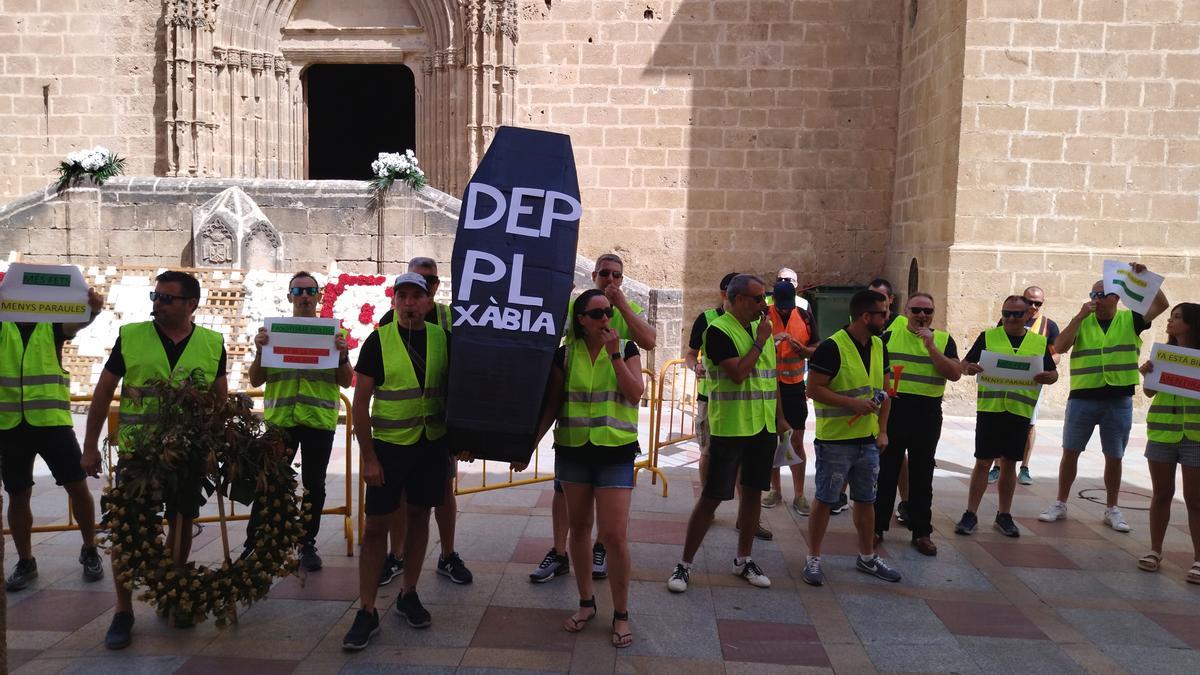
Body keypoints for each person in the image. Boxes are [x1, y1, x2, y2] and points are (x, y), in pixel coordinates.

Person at [83, 271, 228, 649]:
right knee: (129, 531)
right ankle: (123, 610)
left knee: (181, 523)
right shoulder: (131, 336)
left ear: (191, 304)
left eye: (167, 298)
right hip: (138, 453)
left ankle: (172, 590)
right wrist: (89, 446)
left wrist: (212, 445)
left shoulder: (213, 343)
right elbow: (102, 394)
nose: (157, 303)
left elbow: (219, 402)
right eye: (156, 296)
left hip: (188, 453)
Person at [667, 274, 801, 593]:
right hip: (729, 428)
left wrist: (781, 419)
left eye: (764, 299)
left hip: (762, 427)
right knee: (712, 496)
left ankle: (743, 559)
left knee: (753, 491)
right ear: (738, 299)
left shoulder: (761, 328)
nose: (763, 305)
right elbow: (739, 374)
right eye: (757, 299)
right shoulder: (718, 331)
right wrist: (760, 340)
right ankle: (684, 564)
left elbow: (771, 379)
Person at [530, 253, 656, 583]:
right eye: (604, 273)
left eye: (616, 274)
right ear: (594, 274)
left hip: (612, 440)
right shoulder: (579, 310)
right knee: (564, 496)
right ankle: (560, 552)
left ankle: (599, 548)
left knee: (608, 511)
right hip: (574, 434)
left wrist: (623, 308)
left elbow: (649, 342)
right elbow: (548, 334)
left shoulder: (625, 316)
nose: (610, 279)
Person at [343, 273, 453, 650]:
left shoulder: (443, 338)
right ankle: (367, 609)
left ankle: (409, 592)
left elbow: (455, 393)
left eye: (416, 297)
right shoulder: (379, 340)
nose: (409, 303)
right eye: (401, 296)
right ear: (394, 301)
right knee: (376, 528)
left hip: (430, 445)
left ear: (428, 301)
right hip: (389, 448)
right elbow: (360, 404)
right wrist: (369, 457)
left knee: (420, 517)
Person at [534, 289, 641, 647]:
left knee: (614, 536)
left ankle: (622, 613)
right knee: (578, 530)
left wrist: (614, 357)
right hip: (574, 450)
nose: (605, 320)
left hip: (615, 451)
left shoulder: (625, 348)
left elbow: (635, 393)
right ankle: (586, 603)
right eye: (596, 315)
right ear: (580, 319)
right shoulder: (565, 355)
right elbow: (552, 405)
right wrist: (529, 444)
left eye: (608, 313)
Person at [1039, 265, 1169, 531]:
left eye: (1102, 294)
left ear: (1116, 297)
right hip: (1083, 396)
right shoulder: (1083, 320)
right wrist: (1077, 317)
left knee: (1114, 455)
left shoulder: (1130, 319)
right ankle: (1060, 503)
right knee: (1070, 452)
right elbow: (1059, 347)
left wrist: (1143, 278)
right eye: (1093, 294)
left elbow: (1162, 303)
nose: (1095, 299)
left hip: (1118, 399)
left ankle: (1112, 508)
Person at [244, 271, 353, 572]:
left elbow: (346, 381)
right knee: (269, 484)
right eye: (298, 290)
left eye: (310, 291)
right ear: (290, 296)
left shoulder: (334, 335)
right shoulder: (273, 333)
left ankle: (307, 543)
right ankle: (255, 542)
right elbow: (255, 378)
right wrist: (260, 351)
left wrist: (343, 357)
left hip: (318, 421)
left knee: (314, 486)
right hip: (281, 421)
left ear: (319, 296)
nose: (304, 296)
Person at [376, 257, 472, 587]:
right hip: (399, 433)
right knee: (402, 498)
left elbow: (460, 373)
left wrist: (461, 431)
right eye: (418, 279)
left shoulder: (448, 318)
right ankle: (397, 555)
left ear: (434, 288)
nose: (424, 285)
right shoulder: (390, 321)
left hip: (436, 430)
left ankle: (447, 555)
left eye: (430, 280)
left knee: (444, 491)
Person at [2, 288, 105, 592]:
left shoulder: (51, 323)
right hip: (9, 425)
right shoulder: (3, 323)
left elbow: (77, 323)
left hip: (52, 424)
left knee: (77, 486)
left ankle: (89, 549)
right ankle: (26, 560)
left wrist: (93, 309)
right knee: (17, 494)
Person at [801, 290, 901, 586]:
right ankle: (813, 558)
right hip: (835, 441)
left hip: (868, 439)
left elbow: (885, 393)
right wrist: (852, 404)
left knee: (866, 499)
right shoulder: (832, 347)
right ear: (865, 316)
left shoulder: (879, 345)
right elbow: (813, 389)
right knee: (825, 499)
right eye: (882, 314)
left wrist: (882, 430)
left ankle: (867, 557)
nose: (887, 318)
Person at [955, 296, 1058, 539]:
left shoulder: (1038, 342)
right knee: (983, 461)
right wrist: (969, 369)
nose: (1011, 318)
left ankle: (1004, 514)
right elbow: (964, 365)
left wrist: (1048, 377)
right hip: (990, 410)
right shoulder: (988, 337)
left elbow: (1053, 374)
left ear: (1027, 316)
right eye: (1006, 313)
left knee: (1010, 463)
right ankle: (970, 513)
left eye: (1017, 314)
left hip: (1019, 411)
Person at [875, 293, 961, 556]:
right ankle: (877, 528)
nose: (922, 315)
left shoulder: (944, 340)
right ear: (905, 310)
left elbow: (955, 373)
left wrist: (932, 348)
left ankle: (922, 532)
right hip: (894, 410)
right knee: (887, 472)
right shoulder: (888, 336)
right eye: (917, 310)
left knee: (923, 474)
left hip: (927, 413)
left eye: (928, 311)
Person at [1137, 302, 1200, 584]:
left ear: (1191, 324)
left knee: (1195, 500)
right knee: (1161, 494)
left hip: (1196, 436)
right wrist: (1148, 373)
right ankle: (1154, 550)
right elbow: (1150, 392)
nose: (1170, 322)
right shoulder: (1163, 354)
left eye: (1176, 318)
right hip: (1163, 432)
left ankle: (1198, 560)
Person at [989, 285, 1060, 486]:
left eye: (1038, 303)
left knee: (1029, 423)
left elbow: (1056, 354)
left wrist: (1043, 366)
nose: (1033, 306)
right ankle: (997, 466)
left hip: (1031, 384)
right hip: (1005, 380)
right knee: (1000, 420)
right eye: (1030, 302)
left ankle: (1024, 467)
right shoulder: (1007, 320)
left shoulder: (1049, 326)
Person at [761, 280, 818, 517]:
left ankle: (799, 494)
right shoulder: (763, 316)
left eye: (788, 306)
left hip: (794, 387)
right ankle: (775, 489)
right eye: (781, 306)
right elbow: (753, 346)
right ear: (774, 301)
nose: (785, 310)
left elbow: (817, 346)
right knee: (774, 441)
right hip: (770, 387)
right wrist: (770, 343)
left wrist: (804, 351)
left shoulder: (804, 316)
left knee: (796, 440)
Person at [685, 272, 737, 489]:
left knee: (738, 457)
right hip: (709, 398)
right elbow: (690, 354)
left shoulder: (754, 323)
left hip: (739, 400)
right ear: (724, 293)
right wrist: (695, 366)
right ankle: (707, 501)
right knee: (707, 452)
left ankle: (744, 514)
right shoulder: (706, 319)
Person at [868, 277, 908, 524]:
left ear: (891, 300)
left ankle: (905, 502)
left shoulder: (902, 324)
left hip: (896, 399)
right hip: (870, 397)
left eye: (880, 297)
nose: (875, 302)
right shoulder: (862, 320)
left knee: (896, 453)